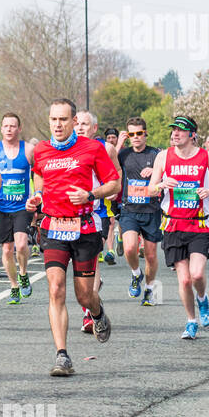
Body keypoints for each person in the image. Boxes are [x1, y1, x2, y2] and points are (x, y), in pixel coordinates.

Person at [26, 98, 119, 377]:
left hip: (84, 228)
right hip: (53, 227)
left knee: (84, 296)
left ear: (73, 121)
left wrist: (91, 194)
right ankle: (62, 355)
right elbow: (40, 181)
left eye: (63, 120)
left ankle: (98, 312)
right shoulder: (41, 150)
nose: (57, 125)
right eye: (53, 119)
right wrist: (37, 198)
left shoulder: (92, 148)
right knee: (55, 288)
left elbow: (114, 183)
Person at [148, 115, 209, 337]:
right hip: (173, 224)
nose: (175, 134)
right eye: (173, 130)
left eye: (181, 130)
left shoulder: (205, 157)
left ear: (192, 134)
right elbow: (150, 189)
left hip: (198, 224)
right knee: (184, 279)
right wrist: (161, 184)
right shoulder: (163, 157)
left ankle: (202, 299)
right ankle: (191, 321)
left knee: (196, 275)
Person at [74, 109, 122, 331]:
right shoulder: (66, 147)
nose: (80, 127)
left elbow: (117, 174)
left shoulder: (107, 148)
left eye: (85, 124)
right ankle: (93, 292)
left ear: (94, 128)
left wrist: (113, 189)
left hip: (96, 211)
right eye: (77, 123)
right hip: (70, 214)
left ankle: (88, 314)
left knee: (92, 256)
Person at [117, 117, 163, 306]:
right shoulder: (124, 154)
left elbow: (168, 173)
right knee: (129, 248)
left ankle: (150, 289)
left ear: (145, 134)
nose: (135, 137)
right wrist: (119, 144)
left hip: (151, 210)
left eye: (139, 133)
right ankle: (136, 274)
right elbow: (106, 163)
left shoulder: (157, 154)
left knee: (151, 256)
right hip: (130, 209)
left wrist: (154, 171)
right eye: (131, 134)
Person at [0, 112, 36, 304]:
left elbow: (40, 174)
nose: (9, 129)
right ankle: (13, 285)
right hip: (2, 206)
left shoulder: (28, 150)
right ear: (1, 129)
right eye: (6, 126)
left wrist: (38, 195)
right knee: (6, 250)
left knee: (20, 244)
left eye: (13, 126)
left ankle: (23, 272)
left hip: (22, 206)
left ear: (19, 129)